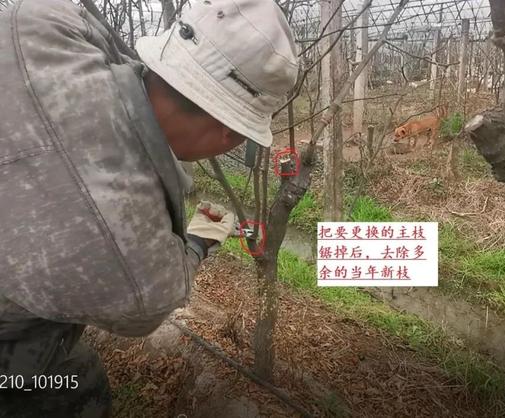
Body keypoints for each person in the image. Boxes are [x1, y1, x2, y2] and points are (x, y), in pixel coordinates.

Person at [0, 0, 298, 416]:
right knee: (75, 382)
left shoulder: (38, 23)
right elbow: (161, 290)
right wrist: (199, 239)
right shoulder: (139, 276)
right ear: (228, 133)